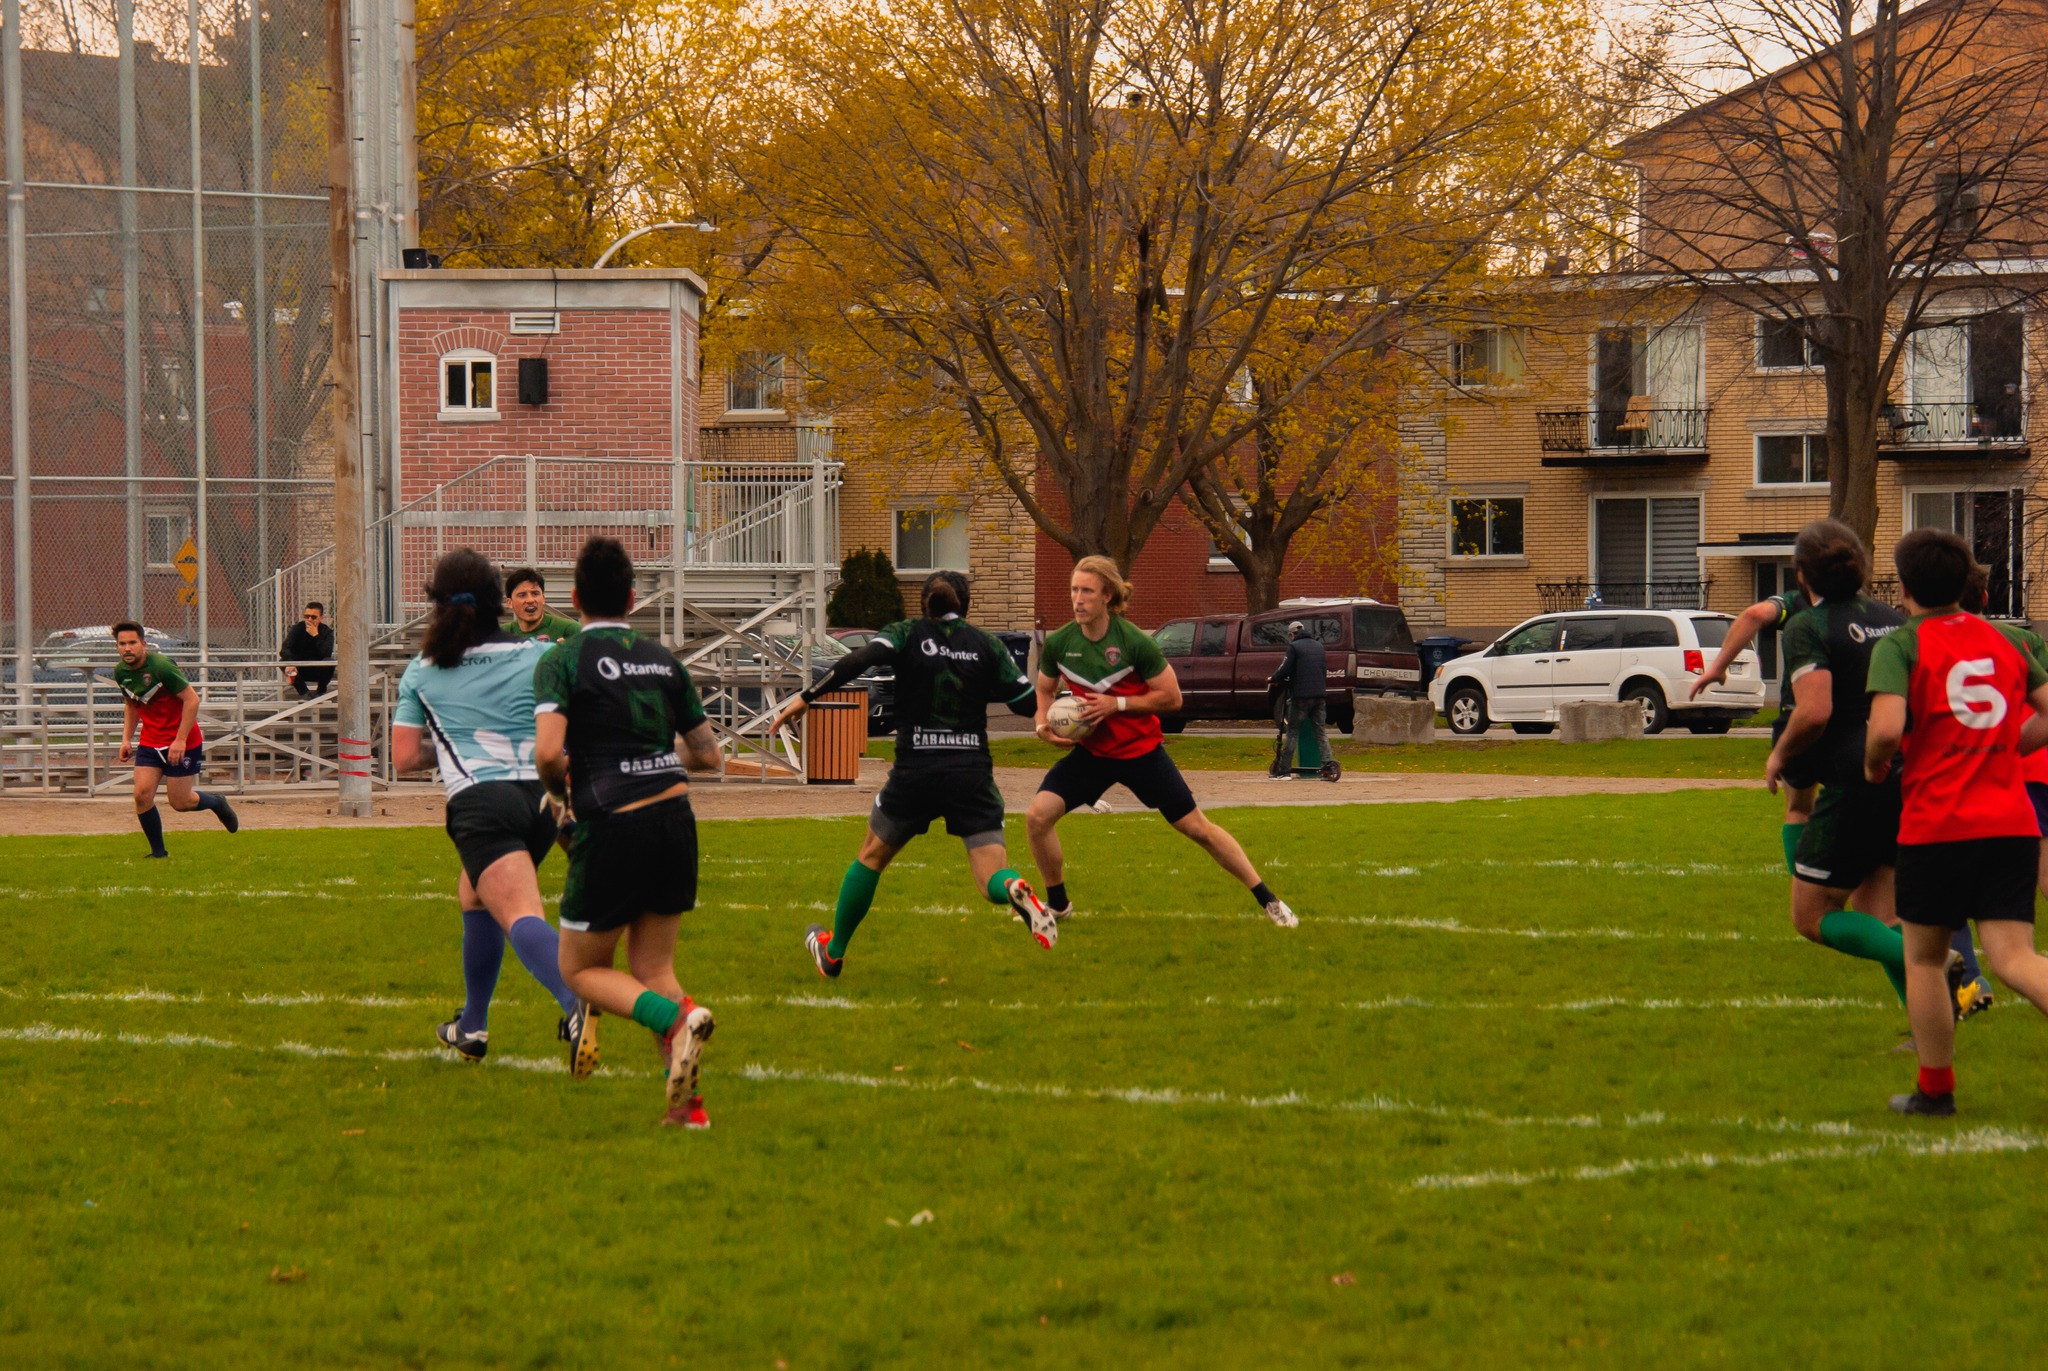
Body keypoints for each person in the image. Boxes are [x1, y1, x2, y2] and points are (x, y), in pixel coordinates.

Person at [774, 570, 1057, 977]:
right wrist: (1060, 710)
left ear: (922, 603)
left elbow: (859, 659)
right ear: (966, 606)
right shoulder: (986, 644)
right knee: (990, 876)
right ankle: (1013, 888)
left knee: (871, 857)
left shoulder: (905, 633)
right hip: (970, 773)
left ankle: (833, 953)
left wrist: (807, 697)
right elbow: (1026, 704)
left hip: (915, 772)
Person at [535, 537, 722, 1129]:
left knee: (580, 969)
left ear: (573, 598)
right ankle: (688, 1109)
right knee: (653, 969)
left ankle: (674, 1019)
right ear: (634, 597)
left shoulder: (562, 659)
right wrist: (654, 759)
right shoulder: (663, 660)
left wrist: (561, 796)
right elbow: (709, 754)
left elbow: (547, 754)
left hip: (613, 824)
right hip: (675, 818)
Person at [1865, 529, 2048, 1116]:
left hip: (1939, 822)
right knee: (2014, 958)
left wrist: (1874, 765)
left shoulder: (1900, 644)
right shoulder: (2007, 640)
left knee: (1922, 958)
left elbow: (1888, 729)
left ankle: (1935, 1091)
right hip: (2011, 820)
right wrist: (2008, 748)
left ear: (1905, 586)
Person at [390, 549, 586, 1064]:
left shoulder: (424, 669)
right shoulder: (538, 654)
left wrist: (451, 738)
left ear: (436, 602)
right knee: (473, 893)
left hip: (482, 801)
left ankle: (574, 1000)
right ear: (499, 601)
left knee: (519, 911)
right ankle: (472, 1026)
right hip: (542, 802)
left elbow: (405, 757)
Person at [1026, 556, 1296, 927]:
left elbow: (1172, 699)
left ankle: (1269, 900)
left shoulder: (1135, 641)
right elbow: (1043, 689)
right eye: (1074, 590)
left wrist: (1115, 704)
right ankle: (1058, 905)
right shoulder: (1060, 642)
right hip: (1091, 754)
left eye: (1086, 591)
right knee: (1037, 817)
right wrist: (1043, 726)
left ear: (1107, 595)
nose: (1078, 599)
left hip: (1142, 754)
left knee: (1198, 829)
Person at [1763, 520, 1943, 1011]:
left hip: (1857, 778)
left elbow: (1815, 710)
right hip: (1903, 773)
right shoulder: (1891, 617)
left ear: (1802, 575)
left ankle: (1935, 960)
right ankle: (1926, 1027)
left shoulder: (1808, 625)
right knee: (1878, 910)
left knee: (1812, 917)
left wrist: (1780, 753)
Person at [1692, 580, 1820, 872]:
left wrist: (1718, 667)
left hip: (1799, 716)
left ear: (1804, 572)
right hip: (1854, 721)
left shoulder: (1797, 605)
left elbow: (1753, 615)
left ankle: (1803, 881)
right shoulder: (1875, 615)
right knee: (1851, 805)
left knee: (1799, 807)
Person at [111, 622, 238, 857]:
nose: (127, 648)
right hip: (151, 740)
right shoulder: (120, 672)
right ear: (117, 647)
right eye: (122, 644)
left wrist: (180, 740)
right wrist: (126, 739)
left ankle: (217, 803)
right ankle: (159, 854)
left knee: (180, 803)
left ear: (143, 644)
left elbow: (192, 700)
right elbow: (131, 704)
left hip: (183, 741)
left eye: (132, 643)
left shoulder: (160, 666)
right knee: (141, 795)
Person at [1268, 619, 1336, 781]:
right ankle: (1328, 765)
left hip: (1301, 696)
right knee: (1320, 732)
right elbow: (1323, 669)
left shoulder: (1294, 647)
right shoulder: (1319, 646)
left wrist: (1273, 678)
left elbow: (1284, 668)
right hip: (1319, 695)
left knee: (1292, 732)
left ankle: (1284, 770)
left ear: (1292, 634)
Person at [503, 567, 582, 642]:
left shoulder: (570, 630)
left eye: (535, 594)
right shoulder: (501, 635)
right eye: (522, 595)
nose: (530, 600)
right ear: (510, 602)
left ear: (543, 599)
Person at [280, 601, 335, 697]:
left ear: (321, 618)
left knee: (330, 661)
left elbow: (326, 653)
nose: (309, 619)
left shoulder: (327, 632)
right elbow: (285, 648)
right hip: (298, 669)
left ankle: (320, 691)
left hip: (317, 669)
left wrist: (315, 635)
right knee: (283, 661)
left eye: (313, 617)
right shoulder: (297, 628)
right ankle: (304, 693)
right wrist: (290, 663)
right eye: (306, 616)